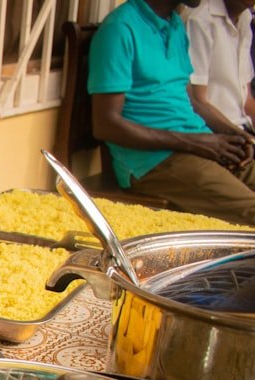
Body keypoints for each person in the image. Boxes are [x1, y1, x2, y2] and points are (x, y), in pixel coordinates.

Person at [89, 0, 255, 225]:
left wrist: (238, 137)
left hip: (199, 148)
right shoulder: (120, 29)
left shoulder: (175, 25)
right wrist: (195, 143)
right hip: (154, 163)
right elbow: (105, 125)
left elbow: (191, 102)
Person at [185, 0, 255, 136]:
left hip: (242, 129)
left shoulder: (245, 17)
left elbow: (247, 100)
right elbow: (198, 102)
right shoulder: (200, 19)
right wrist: (246, 139)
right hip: (215, 134)